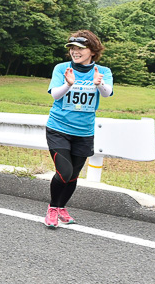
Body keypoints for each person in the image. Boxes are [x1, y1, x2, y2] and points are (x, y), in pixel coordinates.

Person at [44, 30, 113, 228]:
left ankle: (62, 208)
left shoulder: (103, 71)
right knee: (64, 171)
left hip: (84, 132)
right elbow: (56, 95)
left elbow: (107, 94)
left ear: (92, 50)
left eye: (80, 48)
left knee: (73, 175)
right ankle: (52, 209)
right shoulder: (62, 69)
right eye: (72, 48)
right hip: (59, 128)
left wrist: (100, 84)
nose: (75, 52)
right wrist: (68, 84)